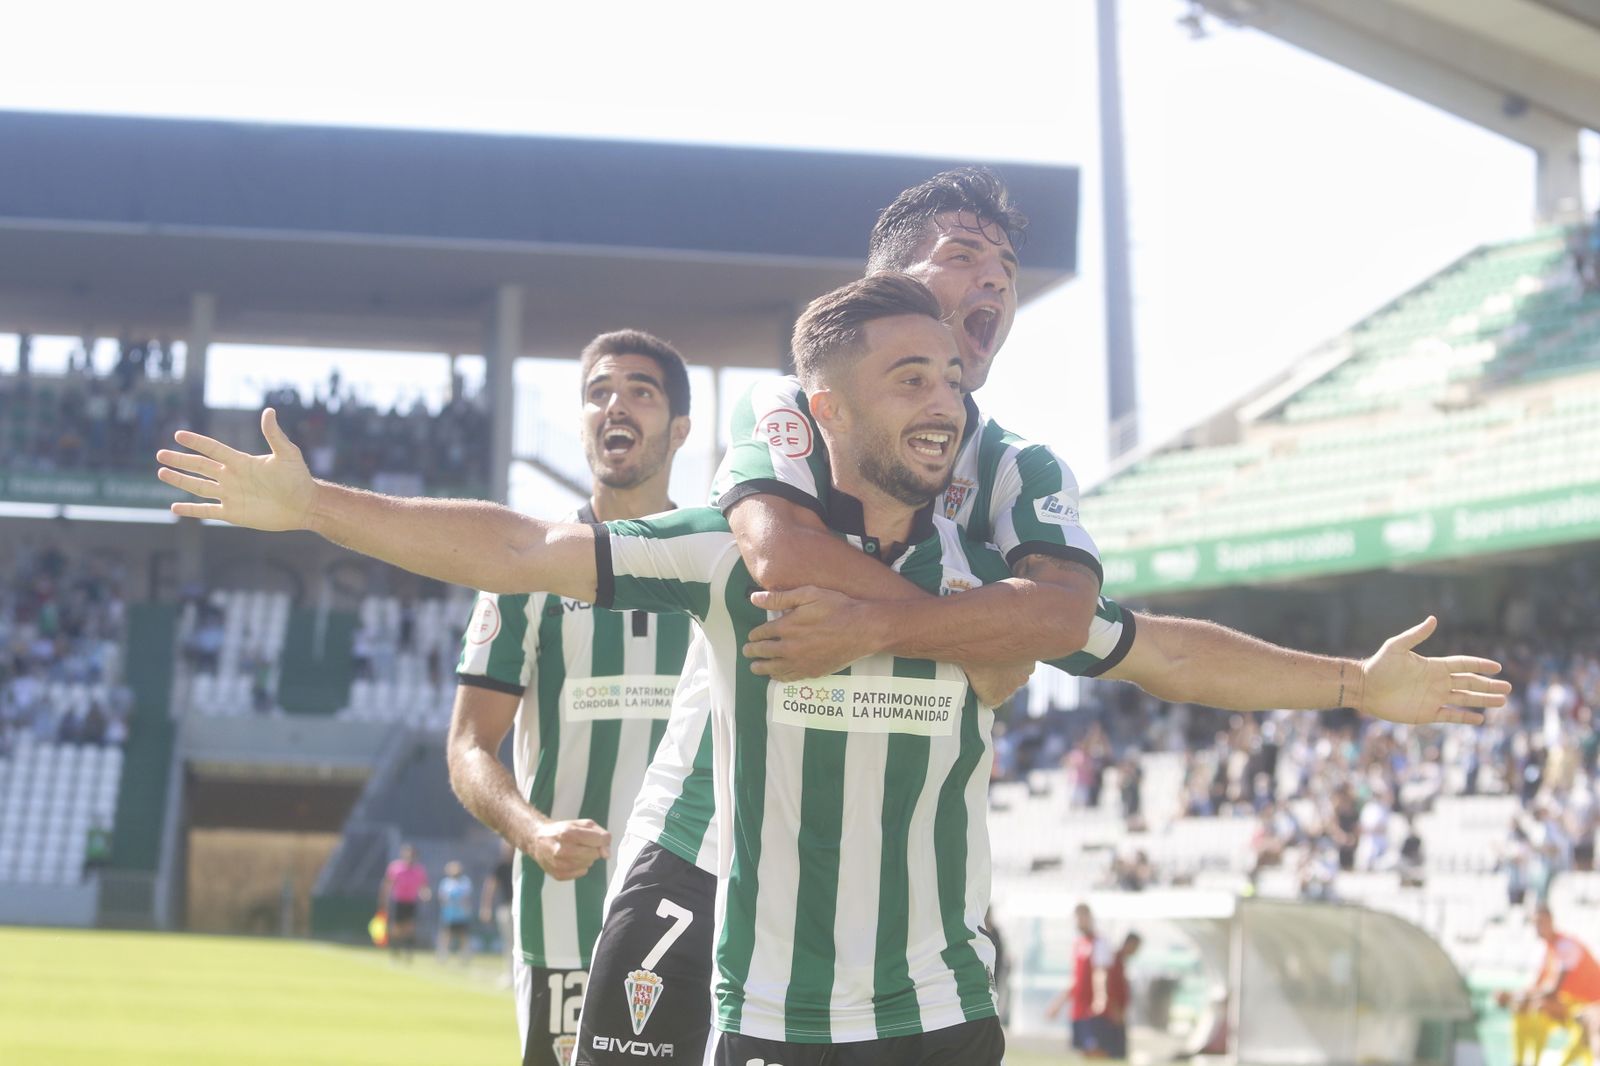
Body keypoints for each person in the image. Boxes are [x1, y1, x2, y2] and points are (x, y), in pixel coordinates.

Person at [157, 272, 1508, 1065]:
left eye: (952, 379)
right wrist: (319, 503)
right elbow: (522, 544)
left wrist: (1348, 682)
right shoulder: (730, 558)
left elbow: (1158, 649)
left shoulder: (995, 590)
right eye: (909, 375)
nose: (946, 398)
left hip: (945, 1016)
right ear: (827, 410)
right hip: (765, 1019)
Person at [573, 168, 1509, 1064]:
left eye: (1006, 272)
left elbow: (1084, 624)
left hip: (877, 910)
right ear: (886, 283)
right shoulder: (794, 402)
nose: (991, 281)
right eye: (961, 255)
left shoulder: (1020, 468)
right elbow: (781, 552)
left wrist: (1349, 683)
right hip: (703, 835)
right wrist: (988, 634)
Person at [448, 330, 695, 1066]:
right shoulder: (528, 570)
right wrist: (532, 832)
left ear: (680, 430)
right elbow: (467, 747)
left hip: (701, 913)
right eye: (599, 392)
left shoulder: (722, 562)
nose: (614, 405)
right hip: (566, 917)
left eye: (640, 391)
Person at [1496, 906, 1600, 1066]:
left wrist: (1513, 996)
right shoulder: (1547, 951)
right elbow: (1537, 986)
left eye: (1541, 922)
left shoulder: (1566, 945)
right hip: (1570, 1007)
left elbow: (1552, 991)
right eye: (1535, 923)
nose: (1538, 927)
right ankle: (1519, 1062)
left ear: (1551, 921)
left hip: (1588, 1006)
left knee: (1539, 1006)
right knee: (1521, 1006)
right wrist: (1514, 995)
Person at [1046, 903, 1113, 1057]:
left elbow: (1100, 972)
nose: (1078, 921)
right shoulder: (1078, 944)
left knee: (1097, 1050)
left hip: (1093, 1009)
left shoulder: (1099, 942)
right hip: (1079, 1009)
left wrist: (1100, 997)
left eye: (1082, 917)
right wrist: (1058, 1004)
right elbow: (1075, 980)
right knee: (1084, 1051)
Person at [379, 843, 430, 963]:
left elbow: (424, 886)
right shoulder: (395, 867)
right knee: (397, 928)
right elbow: (387, 884)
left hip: (411, 901)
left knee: (410, 928)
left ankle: (409, 953)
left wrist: (425, 893)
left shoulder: (419, 870)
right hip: (398, 900)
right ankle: (395, 951)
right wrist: (384, 900)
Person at [481, 840, 516, 988]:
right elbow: (491, 887)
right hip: (506, 907)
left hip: (522, 910)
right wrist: (486, 908)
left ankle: (519, 974)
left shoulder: (522, 864)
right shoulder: (500, 866)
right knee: (509, 943)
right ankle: (510, 974)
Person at [435, 860, 474, 966]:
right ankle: (443, 955)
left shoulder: (465, 881)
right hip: (449, 915)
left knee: (463, 936)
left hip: (462, 915)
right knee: (446, 935)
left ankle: (464, 956)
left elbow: (466, 898)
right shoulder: (445, 883)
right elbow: (442, 897)